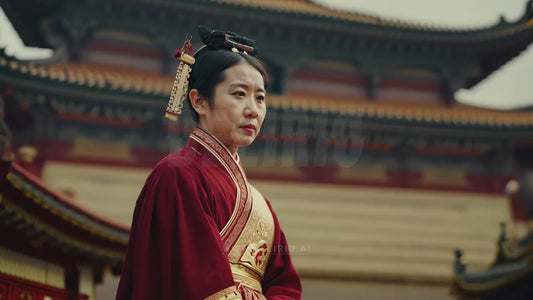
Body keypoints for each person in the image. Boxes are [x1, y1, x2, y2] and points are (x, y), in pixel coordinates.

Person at [116, 26, 302, 300]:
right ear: (200, 101)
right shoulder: (176, 175)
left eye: (260, 97)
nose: (253, 109)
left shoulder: (260, 205)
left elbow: (285, 285)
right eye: (239, 94)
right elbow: (197, 283)